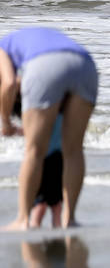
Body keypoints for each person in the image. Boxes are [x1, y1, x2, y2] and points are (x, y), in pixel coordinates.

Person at [0, 27, 98, 230]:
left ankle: (23, 219)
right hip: (85, 64)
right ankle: (69, 219)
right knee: (74, 150)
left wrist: (6, 122)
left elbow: (8, 83)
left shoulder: (2, 47)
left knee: (34, 151)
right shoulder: (25, 39)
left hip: (45, 67)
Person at [12, 92, 65, 228]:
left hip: (42, 158)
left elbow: (36, 132)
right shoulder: (58, 109)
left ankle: (34, 227)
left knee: (40, 206)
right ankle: (58, 230)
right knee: (56, 205)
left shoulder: (38, 111)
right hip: (58, 157)